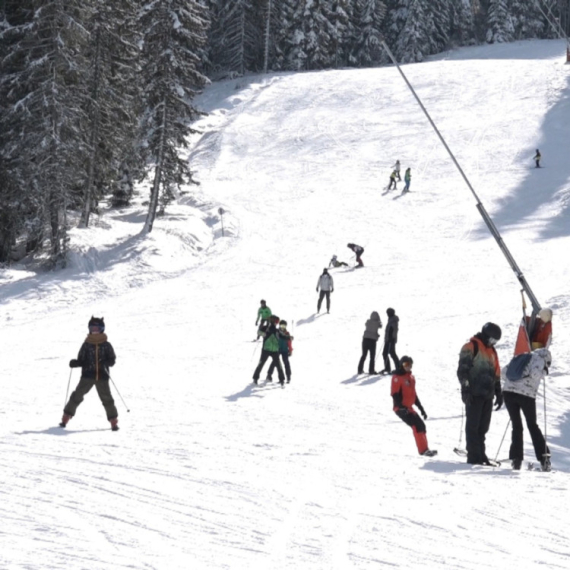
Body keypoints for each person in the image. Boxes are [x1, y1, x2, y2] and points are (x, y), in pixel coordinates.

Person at [60, 317, 119, 431]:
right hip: (87, 376)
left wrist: (106, 362)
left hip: (102, 377)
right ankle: (66, 417)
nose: (95, 330)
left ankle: (113, 421)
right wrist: (75, 363)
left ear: (102, 329)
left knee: (107, 399)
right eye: (92, 328)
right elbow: (81, 360)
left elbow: (112, 360)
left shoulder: (106, 345)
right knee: (77, 396)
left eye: (97, 328)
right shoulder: (86, 345)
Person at [456, 322, 503, 465]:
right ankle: (474, 457)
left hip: (487, 395)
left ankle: (481, 455)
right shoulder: (470, 347)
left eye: (495, 341)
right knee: (473, 427)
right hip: (474, 394)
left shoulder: (492, 351)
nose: (493, 343)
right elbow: (462, 371)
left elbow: (496, 372)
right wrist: (466, 389)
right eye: (492, 339)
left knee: (483, 428)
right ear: (485, 335)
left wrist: (498, 391)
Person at [502, 348, 552, 471]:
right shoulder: (540, 359)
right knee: (532, 425)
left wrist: (514, 384)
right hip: (526, 395)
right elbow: (535, 375)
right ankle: (543, 458)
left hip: (508, 393)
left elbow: (504, 372)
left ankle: (516, 459)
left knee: (516, 425)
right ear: (547, 359)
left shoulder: (522, 356)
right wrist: (544, 371)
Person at [391, 356, 437, 456]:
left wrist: (421, 409)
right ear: (401, 365)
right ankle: (423, 451)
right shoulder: (396, 378)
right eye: (406, 365)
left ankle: (425, 449)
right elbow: (394, 394)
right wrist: (401, 408)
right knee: (416, 426)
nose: (408, 367)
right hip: (400, 408)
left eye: (410, 365)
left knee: (422, 426)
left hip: (409, 407)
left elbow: (414, 395)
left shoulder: (411, 378)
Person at [253, 315, 285, 385]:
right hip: (266, 350)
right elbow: (258, 332)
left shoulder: (277, 330)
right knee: (261, 364)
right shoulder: (266, 328)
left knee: (278, 365)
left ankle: (282, 379)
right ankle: (255, 378)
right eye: (277, 321)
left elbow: (282, 336)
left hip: (274, 350)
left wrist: (288, 337)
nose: (277, 323)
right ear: (273, 321)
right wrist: (264, 334)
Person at [380, 308, 399, 374]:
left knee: (392, 353)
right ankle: (388, 368)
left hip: (391, 340)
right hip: (388, 339)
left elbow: (393, 329)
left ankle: (398, 368)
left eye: (388, 313)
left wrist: (391, 337)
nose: (387, 314)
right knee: (385, 353)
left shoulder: (393, 320)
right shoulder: (391, 319)